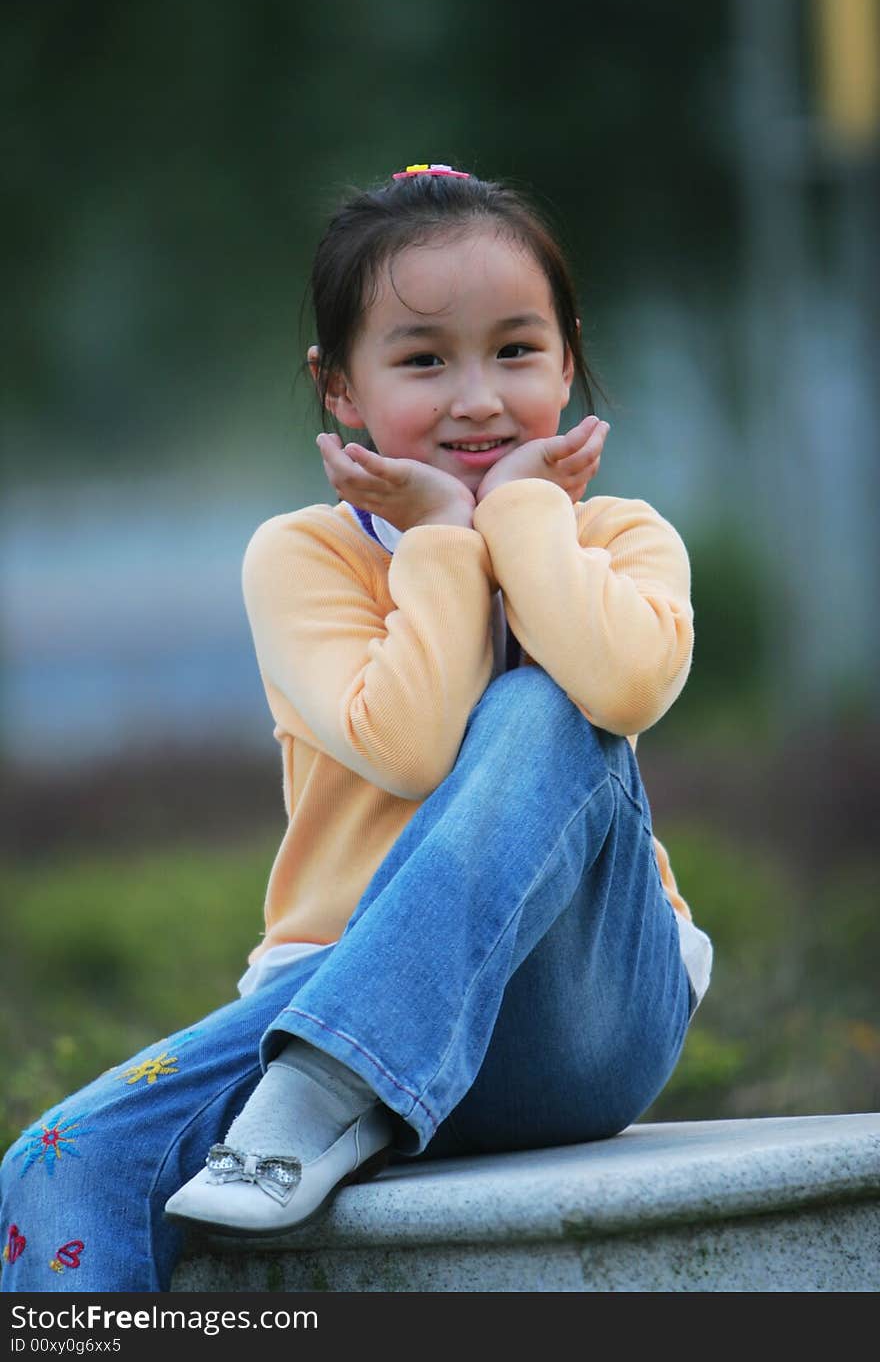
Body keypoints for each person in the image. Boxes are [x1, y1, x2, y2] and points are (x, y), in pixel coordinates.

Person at [0, 162, 712, 1293]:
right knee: (55, 1160)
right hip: (332, 987)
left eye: (515, 352)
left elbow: (621, 687)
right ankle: (332, 1080)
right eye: (424, 359)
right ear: (340, 388)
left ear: (567, 362)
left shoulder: (621, 537)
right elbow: (410, 744)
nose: (477, 397)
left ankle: (333, 1085)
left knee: (547, 699)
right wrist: (435, 537)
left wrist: (520, 511)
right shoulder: (304, 556)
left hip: (582, 1016)